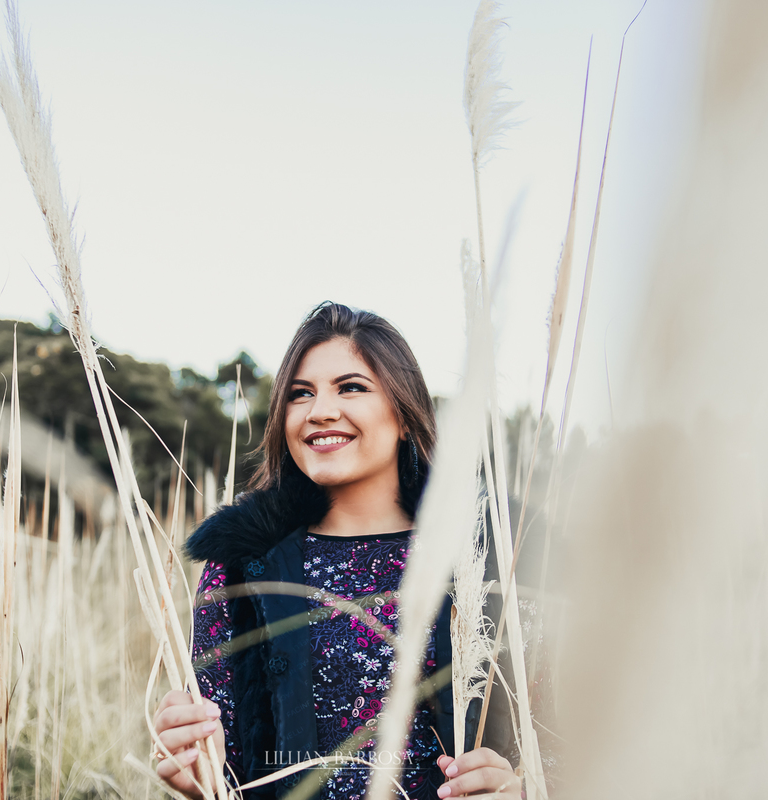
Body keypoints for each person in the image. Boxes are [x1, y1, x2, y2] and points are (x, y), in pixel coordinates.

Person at [154, 302, 522, 800]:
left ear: (406, 414)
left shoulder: (489, 557)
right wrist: (197, 775)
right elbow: (226, 772)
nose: (319, 410)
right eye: (299, 394)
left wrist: (519, 788)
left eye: (351, 387)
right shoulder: (243, 563)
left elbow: (577, 745)